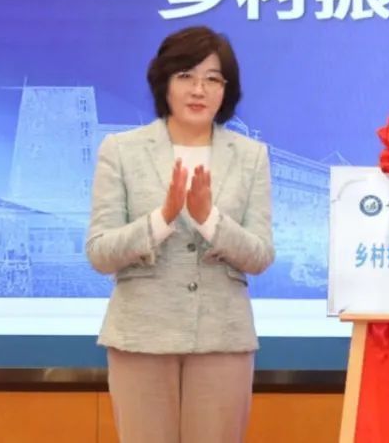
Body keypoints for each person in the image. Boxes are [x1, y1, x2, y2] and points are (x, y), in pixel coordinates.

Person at [86, 26, 275, 443]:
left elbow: (260, 255)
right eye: (186, 75)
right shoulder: (121, 150)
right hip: (141, 337)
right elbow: (100, 252)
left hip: (222, 339)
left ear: (226, 89)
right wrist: (162, 218)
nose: (198, 89)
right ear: (164, 82)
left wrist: (210, 220)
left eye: (213, 78)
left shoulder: (251, 156)